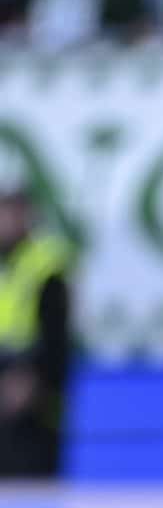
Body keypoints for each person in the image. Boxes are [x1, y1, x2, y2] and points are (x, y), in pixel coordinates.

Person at [0, 182, 71, 478]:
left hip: (32, 389)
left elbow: (56, 333)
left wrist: (32, 378)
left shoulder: (46, 262)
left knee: (28, 481)